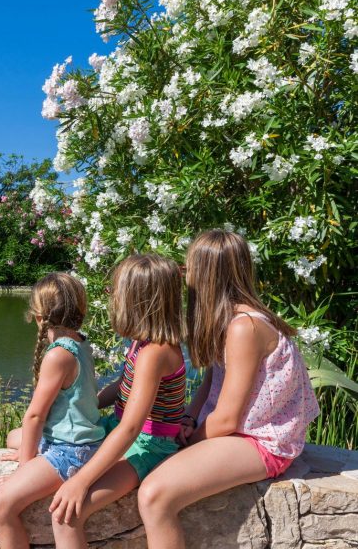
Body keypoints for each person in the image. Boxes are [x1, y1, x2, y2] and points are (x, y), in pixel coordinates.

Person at [137, 230, 320, 549]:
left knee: (154, 495)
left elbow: (227, 419)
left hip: (263, 439)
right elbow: (212, 380)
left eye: (190, 266)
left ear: (207, 274)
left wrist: (186, 443)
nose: (185, 274)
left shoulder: (244, 328)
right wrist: (187, 420)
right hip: (241, 432)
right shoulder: (227, 321)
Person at [47, 254, 187, 548]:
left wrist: (81, 481)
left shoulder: (155, 353)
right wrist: (87, 403)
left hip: (150, 447)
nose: (112, 298)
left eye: (117, 293)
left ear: (136, 301)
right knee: (21, 438)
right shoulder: (142, 341)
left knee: (66, 515)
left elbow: (131, 428)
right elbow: (123, 386)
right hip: (120, 427)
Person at [0, 272, 105, 549]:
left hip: (71, 450)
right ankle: (34, 451)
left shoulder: (57, 355)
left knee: (0, 507)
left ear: (39, 317)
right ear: (81, 309)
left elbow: (35, 415)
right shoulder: (80, 343)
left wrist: (25, 466)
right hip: (77, 439)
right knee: (13, 437)